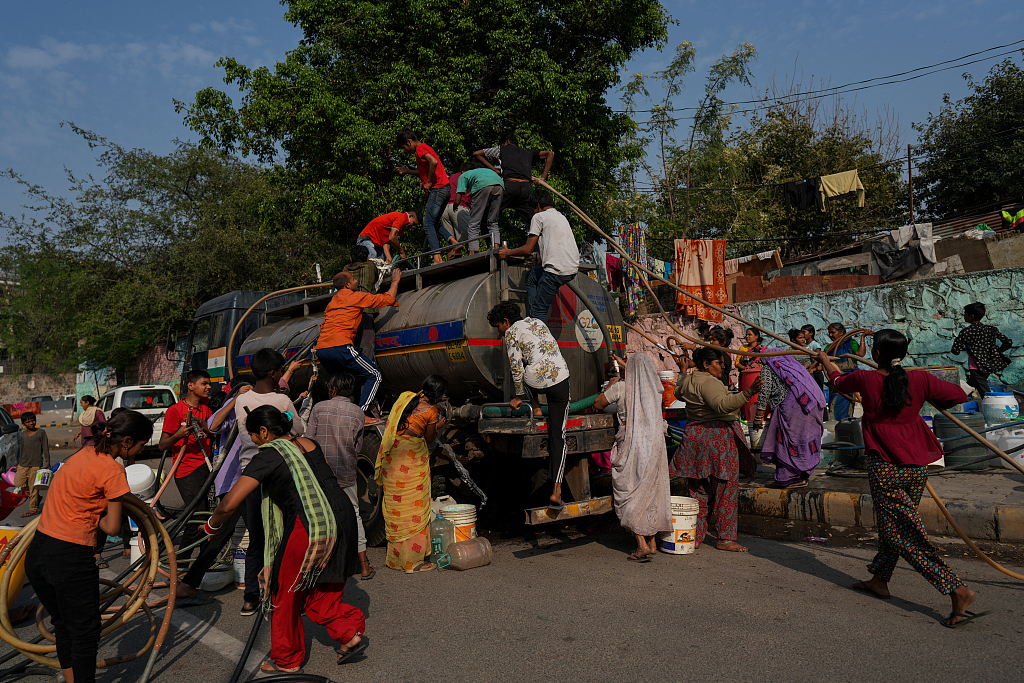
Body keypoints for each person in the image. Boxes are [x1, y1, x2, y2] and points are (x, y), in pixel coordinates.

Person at [816, 330, 978, 627]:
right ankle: (879, 580)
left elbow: (837, 381)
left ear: (876, 354)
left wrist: (825, 360)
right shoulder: (919, 379)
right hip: (917, 466)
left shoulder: (865, 379)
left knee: (901, 533)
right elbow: (957, 395)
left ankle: (956, 589)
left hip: (887, 465)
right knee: (897, 525)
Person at [206, 406, 365, 673]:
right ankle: (349, 632)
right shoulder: (307, 443)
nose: (253, 441)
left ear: (265, 432)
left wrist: (210, 526)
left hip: (310, 524)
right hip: (342, 515)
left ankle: (287, 659)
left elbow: (229, 504)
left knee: (284, 591)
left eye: (253, 436)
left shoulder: (267, 457)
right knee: (323, 583)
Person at [25, 410, 153, 683]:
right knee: (85, 632)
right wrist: (125, 506)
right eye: (142, 445)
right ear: (127, 441)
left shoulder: (81, 455)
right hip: (70, 557)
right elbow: (111, 527)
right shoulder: (113, 469)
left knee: (63, 624)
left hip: (38, 552)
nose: (140, 452)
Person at [233, 349, 307, 616]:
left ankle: (251, 597)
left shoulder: (241, 401)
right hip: (280, 473)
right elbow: (297, 431)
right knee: (285, 535)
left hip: (251, 474)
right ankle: (283, 592)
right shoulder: (282, 401)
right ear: (275, 373)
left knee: (257, 539)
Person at [670, 348, 761, 552]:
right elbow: (722, 405)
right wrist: (749, 391)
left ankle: (694, 535)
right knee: (725, 489)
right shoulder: (709, 382)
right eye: (719, 363)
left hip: (694, 437)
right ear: (706, 364)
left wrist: (683, 371)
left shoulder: (689, 380)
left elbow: (677, 392)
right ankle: (725, 538)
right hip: (716, 439)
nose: (723, 366)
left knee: (699, 489)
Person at [487, 301, 571, 507]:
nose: (499, 331)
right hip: (561, 378)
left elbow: (516, 368)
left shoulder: (511, 334)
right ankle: (557, 491)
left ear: (506, 322)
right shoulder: (537, 321)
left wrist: (518, 396)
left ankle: (534, 405)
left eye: (498, 326)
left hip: (537, 382)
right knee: (558, 436)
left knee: (526, 372)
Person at [594, 354, 671, 562]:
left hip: (632, 445)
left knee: (630, 491)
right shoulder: (656, 390)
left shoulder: (621, 388)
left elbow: (598, 404)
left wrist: (611, 384)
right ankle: (653, 542)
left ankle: (641, 544)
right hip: (655, 445)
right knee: (649, 491)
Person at [158, 370, 237, 561]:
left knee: (209, 516)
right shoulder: (175, 410)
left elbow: (214, 434)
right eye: (204, 383)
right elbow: (162, 444)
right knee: (197, 518)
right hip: (186, 470)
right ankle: (182, 563)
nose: (209, 387)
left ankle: (204, 562)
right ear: (190, 386)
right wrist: (178, 436)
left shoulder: (206, 408)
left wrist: (203, 424)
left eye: (209, 384)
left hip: (208, 468)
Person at [305, 371, 375, 579]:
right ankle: (363, 566)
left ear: (333, 390)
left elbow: (309, 441)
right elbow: (357, 446)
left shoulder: (319, 408)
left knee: (318, 518)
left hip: (320, 474)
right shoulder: (357, 413)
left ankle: (320, 567)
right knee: (354, 515)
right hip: (346, 474)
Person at [375, 376, 448, 573]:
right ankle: (413, 562)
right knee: (415, 510)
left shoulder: (407, 398)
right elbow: (429, 437)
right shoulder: (431, 412)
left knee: (397, 509)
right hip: (411, 459)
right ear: (438, 396)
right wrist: (439, 423)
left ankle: (396, 560)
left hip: (394, 456)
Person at [315, 268, 401, 414]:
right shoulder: (355, 296)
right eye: (354, 280)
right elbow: (387, 298)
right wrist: (395, 281)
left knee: (338, 381)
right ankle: (361, 412)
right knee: (374, 375)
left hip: (322, 349)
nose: (357, 281)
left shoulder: (331, 303)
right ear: (348, 285)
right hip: (341, 346)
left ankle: (334, 412)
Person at [497, 188, 580, 322]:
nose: (533, 213)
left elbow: (527, 249)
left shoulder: (539, 217)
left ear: (538, 206)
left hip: (555, 271)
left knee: (538, 311)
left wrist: (507, 253)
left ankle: (537, 331)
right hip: (572, 268)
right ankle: (535, 308)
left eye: (533, 209)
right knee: (531, 276)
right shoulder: (560, 216)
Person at [751, 352, 826, 489]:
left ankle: (788, 478)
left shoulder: (769, 367)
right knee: (805, 441)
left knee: (788, 441)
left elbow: (764, 391)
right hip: (812, 404)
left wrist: (758, 417)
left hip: (793, 407)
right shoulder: (794, 366)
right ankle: (803, 476)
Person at [473, 131, 555, 232]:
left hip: (510, 186)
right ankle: (540, 244)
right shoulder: (527, 152)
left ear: (506, 142)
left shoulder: (501, 149)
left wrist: (494, 170)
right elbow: (550, 154)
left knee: (489, 215)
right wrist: (543, 177)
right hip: (526, 189)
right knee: (533, 222)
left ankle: (493, 244)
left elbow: (477, 154)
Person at [395, 129, 454, 264]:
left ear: (409, 142)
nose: (405, 151)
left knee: (427, 225)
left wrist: (428, 183)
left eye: (404, 147)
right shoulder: (425, 147)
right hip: (445, 189)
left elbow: (433, 162)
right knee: (434, 223)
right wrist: (407, 171)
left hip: (437, 189)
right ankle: (455, 243)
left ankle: (437, 258)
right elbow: (426, 170)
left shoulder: (420, 148)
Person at [951, 301, 1013, 397]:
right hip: (988, 366)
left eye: (965, 314)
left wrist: (959, 342)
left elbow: (955, 351)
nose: (964, 316)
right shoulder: (991, 329)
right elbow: (1008, 342)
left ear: (971, 316)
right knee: (969, 387)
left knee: (986, 395)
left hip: (976, 368)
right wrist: (997, 352)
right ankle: (961, 402)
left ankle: (995, 409)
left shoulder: (966, 332)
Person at [453, 162, 504, 256]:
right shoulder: (482, 171)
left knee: (474, 222)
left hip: (483, 186)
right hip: (499, 185)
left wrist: (455, 206)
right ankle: (496, 247)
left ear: (463, 171)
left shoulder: (463, 175)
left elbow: (458, 198)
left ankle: (473, 252)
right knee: (493, 221)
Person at [827, 322, 867, 420]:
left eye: (833, 332)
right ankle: (836, 428)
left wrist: (862, 338)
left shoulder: (850, 343)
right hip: (836, 381)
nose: (830, 335)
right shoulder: (829, 348)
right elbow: (824, 364)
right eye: (829, 333)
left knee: (846, 405)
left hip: (850, 380)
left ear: (841, 333)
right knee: (833, 405)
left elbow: (860, 354)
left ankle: (844, 427)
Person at [14, 412, 49, 517]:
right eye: (28, 421)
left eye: (33, 420)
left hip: (35, 465)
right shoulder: (23, 434)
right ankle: (36, 499)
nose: (31, 423)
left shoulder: (41, 432)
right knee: (18, 483)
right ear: (23, 423)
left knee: (34, 488)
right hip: (23, 464)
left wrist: (47, 461)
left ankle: (33, 508)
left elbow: (45, 447)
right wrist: (19, 463)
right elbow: (22, 449)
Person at [442, 161, 474, 257]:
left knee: (453, 244)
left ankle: (453, 263)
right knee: (470, 240)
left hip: (444, 209)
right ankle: (472, 261)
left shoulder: (451, 177)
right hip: (460, 207)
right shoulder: (470, 177)